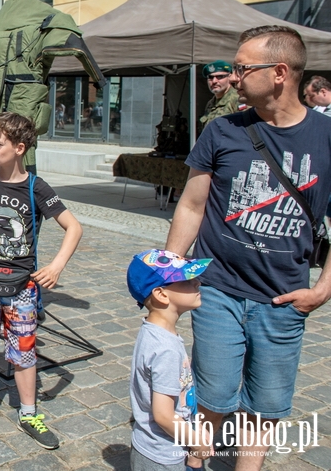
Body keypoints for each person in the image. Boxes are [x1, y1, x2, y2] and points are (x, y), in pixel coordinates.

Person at [166, 26, 331, 470]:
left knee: (265, 408)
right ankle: (196, 463)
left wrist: (322, 290)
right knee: (214, 395)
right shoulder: (222, 130)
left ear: (279, 72)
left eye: (242, 68)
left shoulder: (326, 138)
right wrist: (171, 272)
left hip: (283, 300)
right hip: (217, 290)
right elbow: (192, 204)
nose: (233, 77)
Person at [0, 112, 82, 448]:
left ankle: (29, 413)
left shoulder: (36, 187)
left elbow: (74, 227)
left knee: (24, 350)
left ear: (19, 148)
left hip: (22, 285)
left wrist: (55, 267)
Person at [127, 249, 213, 471]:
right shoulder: (165, 348)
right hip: (162, 455)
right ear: (161, 294)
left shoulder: (154, 333)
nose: (198, 283)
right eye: (188, 280)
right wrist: (197, 444)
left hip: (154, 448)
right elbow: (164, 415)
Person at [198, 60, 240, 130]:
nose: (214, 81)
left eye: (220, 77)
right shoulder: (210, 104)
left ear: (230, 77)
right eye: (210, 77)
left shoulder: (238, 99)